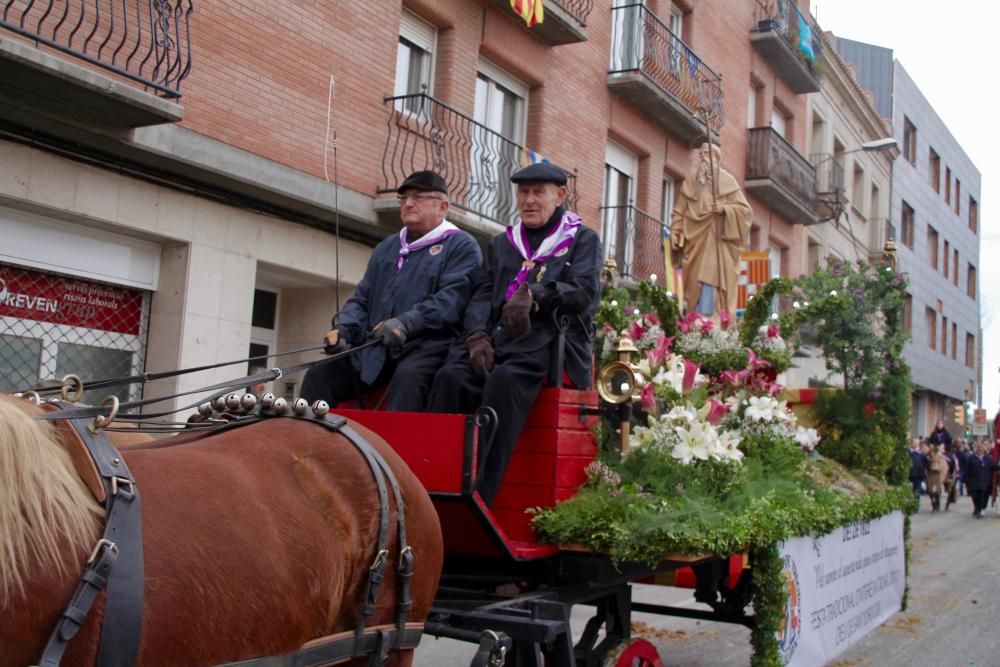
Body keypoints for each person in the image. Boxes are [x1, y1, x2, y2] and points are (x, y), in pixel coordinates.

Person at [426, 163, 601, 506]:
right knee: (450, 377)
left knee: (504, 381)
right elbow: (480, 295)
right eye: (523, 192)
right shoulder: (502, 244)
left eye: (539, 192)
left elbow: (582, 292)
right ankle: (431, 486)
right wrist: (477, 336)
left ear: (560, 195)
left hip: (547, 343)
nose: (529, 200)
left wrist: (536, 293)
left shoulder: (582, 239)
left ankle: (479, 496)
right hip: (499, 339)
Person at [299, 171, 482, 411]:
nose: (408, 203)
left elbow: (451, 301)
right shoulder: (388, 247)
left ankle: (399, 449)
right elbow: (363, 298)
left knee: (409, 377)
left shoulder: (461, 245)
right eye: (403, 198)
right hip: (378, 349)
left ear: (443, 207)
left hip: (430, 348)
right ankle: (312, 447)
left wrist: (406, 323)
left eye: (418, 197)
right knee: (319, 375)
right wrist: (344, 329)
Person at [670, 142, 753, 316]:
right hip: (693, 242)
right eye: (701, 155)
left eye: (706, 154)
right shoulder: (691, 182)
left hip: (716, 239)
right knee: (693, 287)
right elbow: (679, 212)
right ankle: (694, 318)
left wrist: (724, 209)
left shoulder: (727, 181)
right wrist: (676, 231)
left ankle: (710, 318)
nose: (703, 158)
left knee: (711, 280)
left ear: (716, 158)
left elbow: (745, 212)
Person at [963, 441, 999, 518]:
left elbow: (994, 467)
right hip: (974, 481)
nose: (979, 451)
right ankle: (976, 507)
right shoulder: (971, 458)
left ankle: (978, 510)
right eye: (978, 449)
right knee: (975, 496)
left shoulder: (988, 459)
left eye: (981, 449)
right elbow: (967, 469)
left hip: (984, 481)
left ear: (983, 450)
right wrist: (964, 478)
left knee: (982, 497)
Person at [924, 443, 947, 512]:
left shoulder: (945, 434)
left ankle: (950, 475)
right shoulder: (933, 436)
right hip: (930, 469)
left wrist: (942, 447)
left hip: (941, 451)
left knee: (950, 459)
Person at [907, 437, 926, 508]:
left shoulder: (922, 454)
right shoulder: (907, 453)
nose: (915, 444)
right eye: (914, 442)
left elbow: (925, 464)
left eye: (917, 443)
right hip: (909, 475)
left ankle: (915, 507)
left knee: (917, 492)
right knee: (909, 492)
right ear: (911, 443)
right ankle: (909, 505)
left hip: (918, 476)